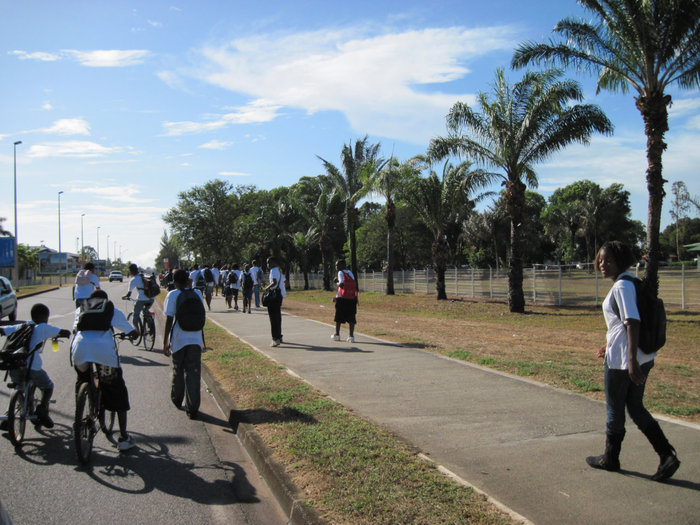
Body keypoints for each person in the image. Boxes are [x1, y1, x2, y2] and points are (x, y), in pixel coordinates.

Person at [586, 240, 680, 481]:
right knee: (636, 408)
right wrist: (609, 344)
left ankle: (611, 458)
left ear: (620, 261)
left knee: (615, 410)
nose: (602, 264)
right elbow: (623, 323)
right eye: (600, 259)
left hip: (623, 363)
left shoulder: (621, 286)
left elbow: (632, 321)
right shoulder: (631, 283)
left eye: (608, 259)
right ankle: (666, 455)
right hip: (637, 356)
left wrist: (630, 362)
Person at [71, 289, 138, 451]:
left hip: (79, 350)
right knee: (117, 391)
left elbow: (75, 329)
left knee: (82, 380)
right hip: (104, 354)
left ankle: (81, 414)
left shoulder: (81, 308)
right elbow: (132, 332)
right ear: (105, 301)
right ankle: (123, 438)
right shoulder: (112, 309)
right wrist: (133, 334)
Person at [0, 303, 71, 429]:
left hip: (14, 365)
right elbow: (61, 332)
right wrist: (65, 333)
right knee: (48, 386)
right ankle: (42, 409)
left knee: (18, 387)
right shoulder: (42, 327)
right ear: (45, 317)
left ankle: (9, 415)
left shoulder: (21, 326)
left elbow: (3, 330)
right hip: (32, 368)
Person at [163, 269, 206, 419]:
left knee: (178, 370)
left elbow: (169, 320)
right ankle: (193, 408)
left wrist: (165, 342)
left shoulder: (172, 294)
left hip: (179, 340)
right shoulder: (198, 294)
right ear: (188, 279)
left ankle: (177, 398)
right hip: (195, 339)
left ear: (174, 281)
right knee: (193, 373)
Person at [121, 263, 154, 337]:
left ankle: (137, 332)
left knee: (135, 315)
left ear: (131, 271)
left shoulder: (134, 280)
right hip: (152, 298)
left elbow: (129, 294)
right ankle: (150, 322)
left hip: (142, 299)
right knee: (146, 311)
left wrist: (124, 296)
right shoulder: (145, 276)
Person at [331, 259, 358, 343]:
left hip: (342, 298)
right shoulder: (350, 273)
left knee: (338, 317)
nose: (336, 267)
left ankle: (337, 335)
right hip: (352, 298)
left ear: (341, 266)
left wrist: (336, 281)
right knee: (351, 317)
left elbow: (342, 285)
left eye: (337, 265)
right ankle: (351, 336)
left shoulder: (340, 273)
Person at [264, 256, 286, 347]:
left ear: (273, 263)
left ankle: (275, 339)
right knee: (278, 316)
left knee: (273, 318)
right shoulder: (279, 271)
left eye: (268, 263)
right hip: (279, 296)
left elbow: (274, 282)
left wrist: (266, 288)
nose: (268, 265)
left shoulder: (273, 271)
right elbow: (285, 281)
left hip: (273, 297)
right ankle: (279, 336)